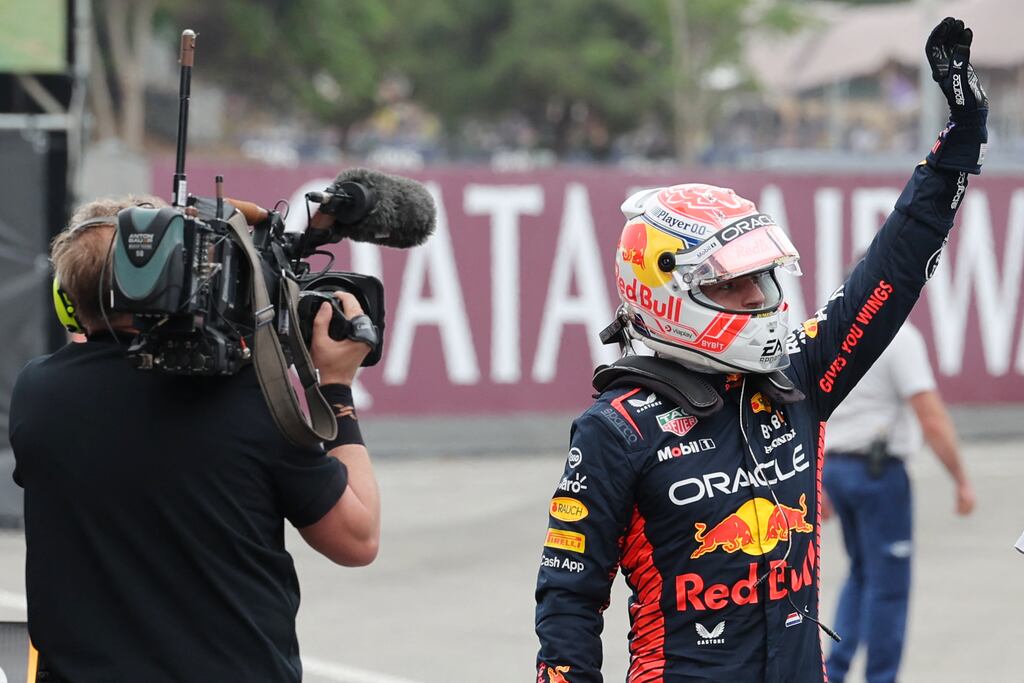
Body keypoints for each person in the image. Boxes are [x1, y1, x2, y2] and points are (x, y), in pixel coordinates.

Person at [534, 16, 987, 683]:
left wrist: (959, 143)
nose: (759, 297)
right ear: (667, 293)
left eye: (762, 277)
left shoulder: (796, 377)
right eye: (735, 282)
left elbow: (890, 272)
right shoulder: (615, 428)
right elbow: (567, 604)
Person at [9, 195, 381, 682]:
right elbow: (357, 540)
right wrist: (335, 390)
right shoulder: (251, 400)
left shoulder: (37, 392)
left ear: (68, 298)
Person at [822, 319, 974, 683]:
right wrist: (960, 479)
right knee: (889, 587)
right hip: (878, 474)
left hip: (834, 468)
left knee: (860, 572)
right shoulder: (898, 336)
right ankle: (881, 677)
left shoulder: (832, 332)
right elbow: (931, 416)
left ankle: (833, 672)